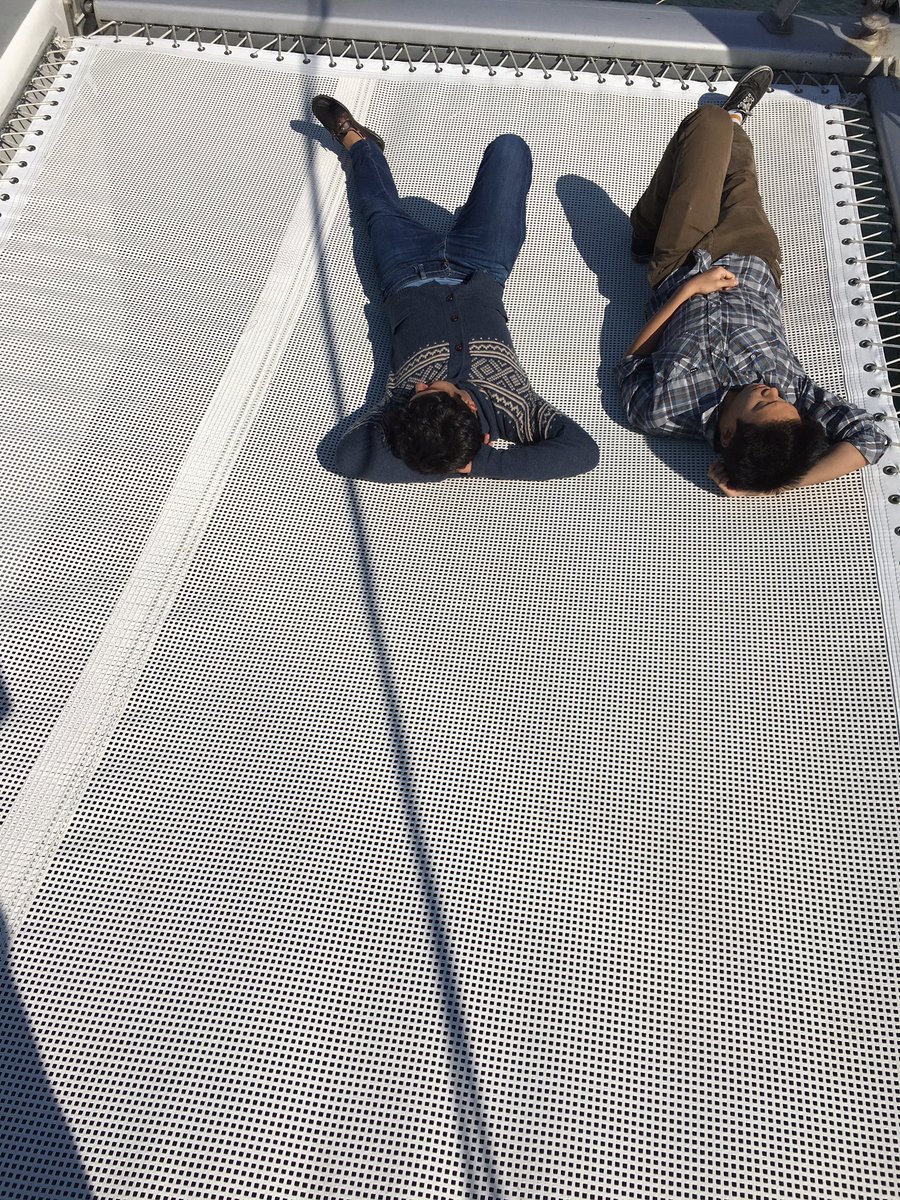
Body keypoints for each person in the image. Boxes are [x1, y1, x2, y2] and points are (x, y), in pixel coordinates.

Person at [617, 66, 890, 495]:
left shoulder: (663, 411)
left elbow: (632, 363)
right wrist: (774, 484)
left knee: (706, 126)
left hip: (682, 265)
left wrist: (690, 289)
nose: (771, 391)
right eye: (779, 400)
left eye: (763, 402)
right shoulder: (793, 393)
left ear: (728, 434)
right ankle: (736, 119)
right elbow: (871, 440)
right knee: (740, 176)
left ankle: (648, 227)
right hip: (753, 257)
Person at [312, 95, 599, 482]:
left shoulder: (405, 409)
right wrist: (475, 463)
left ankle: (360, 145)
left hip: (403, 273)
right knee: (510, 149)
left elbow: (349, 457)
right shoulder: (516, 410)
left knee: (377, 207)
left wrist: (434, 453)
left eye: (419, 390)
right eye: (432, 388)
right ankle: (467, 214)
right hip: (481, 265)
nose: (420, 384)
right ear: (468, 404)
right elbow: (583, 452)